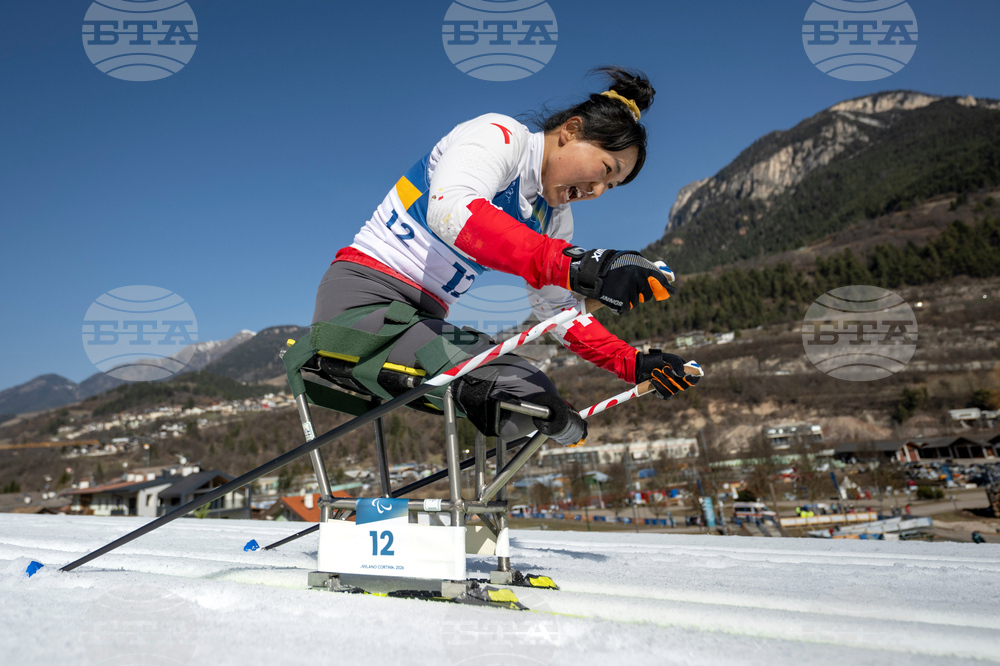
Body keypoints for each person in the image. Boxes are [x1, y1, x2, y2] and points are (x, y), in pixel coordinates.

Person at [312, 67, 701, 447]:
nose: (598, 190)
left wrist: (630, 363)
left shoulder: (555, 219)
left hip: (416, 321)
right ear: (571, 131)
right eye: (604, 169)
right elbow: (453, 212)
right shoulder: (499, 137)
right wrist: (579, 266)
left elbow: (558, 312)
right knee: (516, 391)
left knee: (530, 394)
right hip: (362, 306)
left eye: (611, 186)